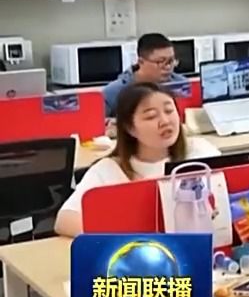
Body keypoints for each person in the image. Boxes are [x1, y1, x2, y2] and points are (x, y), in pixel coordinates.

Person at [56, 84, 220, 237]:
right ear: (130, 128)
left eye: (169, 111)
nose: (165, 121)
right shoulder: (110, 170)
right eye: (151, 116)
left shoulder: (201, 152)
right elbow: (64, 220)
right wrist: (123, 238)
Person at [102, 33, 187, 117]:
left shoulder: (182, 84)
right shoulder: (113, 92)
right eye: (160, 62)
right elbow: (99, 122)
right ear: (141, 62)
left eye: (171, 61)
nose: (168, 67)